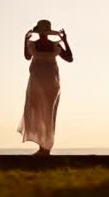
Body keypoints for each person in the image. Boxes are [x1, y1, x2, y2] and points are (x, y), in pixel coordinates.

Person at [18, 19, 73, 156]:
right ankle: (45, 148)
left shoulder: (33, 44)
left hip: (38, 83)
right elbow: (69, 58)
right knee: (48, 114)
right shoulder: (55, 45)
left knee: (39, 113)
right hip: (50, 84)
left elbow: (26, 56)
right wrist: (65, 41)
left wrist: (25, 43)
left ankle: (44, 148)